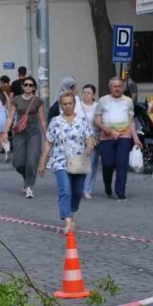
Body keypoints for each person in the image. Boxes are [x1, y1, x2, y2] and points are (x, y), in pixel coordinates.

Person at [38, 91, 95, 231]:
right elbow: (48, 142)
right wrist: (42, 162)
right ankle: (67, 221)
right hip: (60, 160)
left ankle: (72, 212)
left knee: (77, 191)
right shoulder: (55, 122)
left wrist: (89, 146)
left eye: (70, 103)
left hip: (79, 160)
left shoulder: (82, 120)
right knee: (65, 189)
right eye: (65, 104)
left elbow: (90, 137)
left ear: (74, 104)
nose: (68, 106)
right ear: (61, 105)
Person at [95, 77, 142, 200]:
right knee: (107, 164)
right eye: (114, 86)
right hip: (107, 136)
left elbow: (131, 122)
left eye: (119, 86)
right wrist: (107, 130)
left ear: (122, 88)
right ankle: (107, 183)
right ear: (110, 87)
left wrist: (136, 139)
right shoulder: (103, 101)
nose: (117, 88)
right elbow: (97, 120)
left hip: (124, 136)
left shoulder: (128, 101)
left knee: (122, 164)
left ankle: (120, 192)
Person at [4, 75, 46, 199]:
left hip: (34, 131)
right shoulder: (16, 99)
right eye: (26, 85)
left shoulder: (38, 101)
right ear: (22, 87)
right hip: (20, 132)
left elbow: (42, 120)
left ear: (34, 88)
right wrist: (5, 132)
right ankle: (27, 178)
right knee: (18, 162)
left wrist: (47, 135)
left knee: (32, 160)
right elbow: (11, 117)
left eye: (30, 85)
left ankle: (29, 186)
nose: (28, 87)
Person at [79, 84, 100, 200]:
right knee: (80, 164)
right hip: (79, 139)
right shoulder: (78, 106)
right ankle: (78, 187)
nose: (86, 95)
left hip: (93, 138)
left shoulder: (97, 106)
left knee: (91, 164)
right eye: (84, 92)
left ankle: (87, 189)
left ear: (93, 95)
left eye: (89, 93)